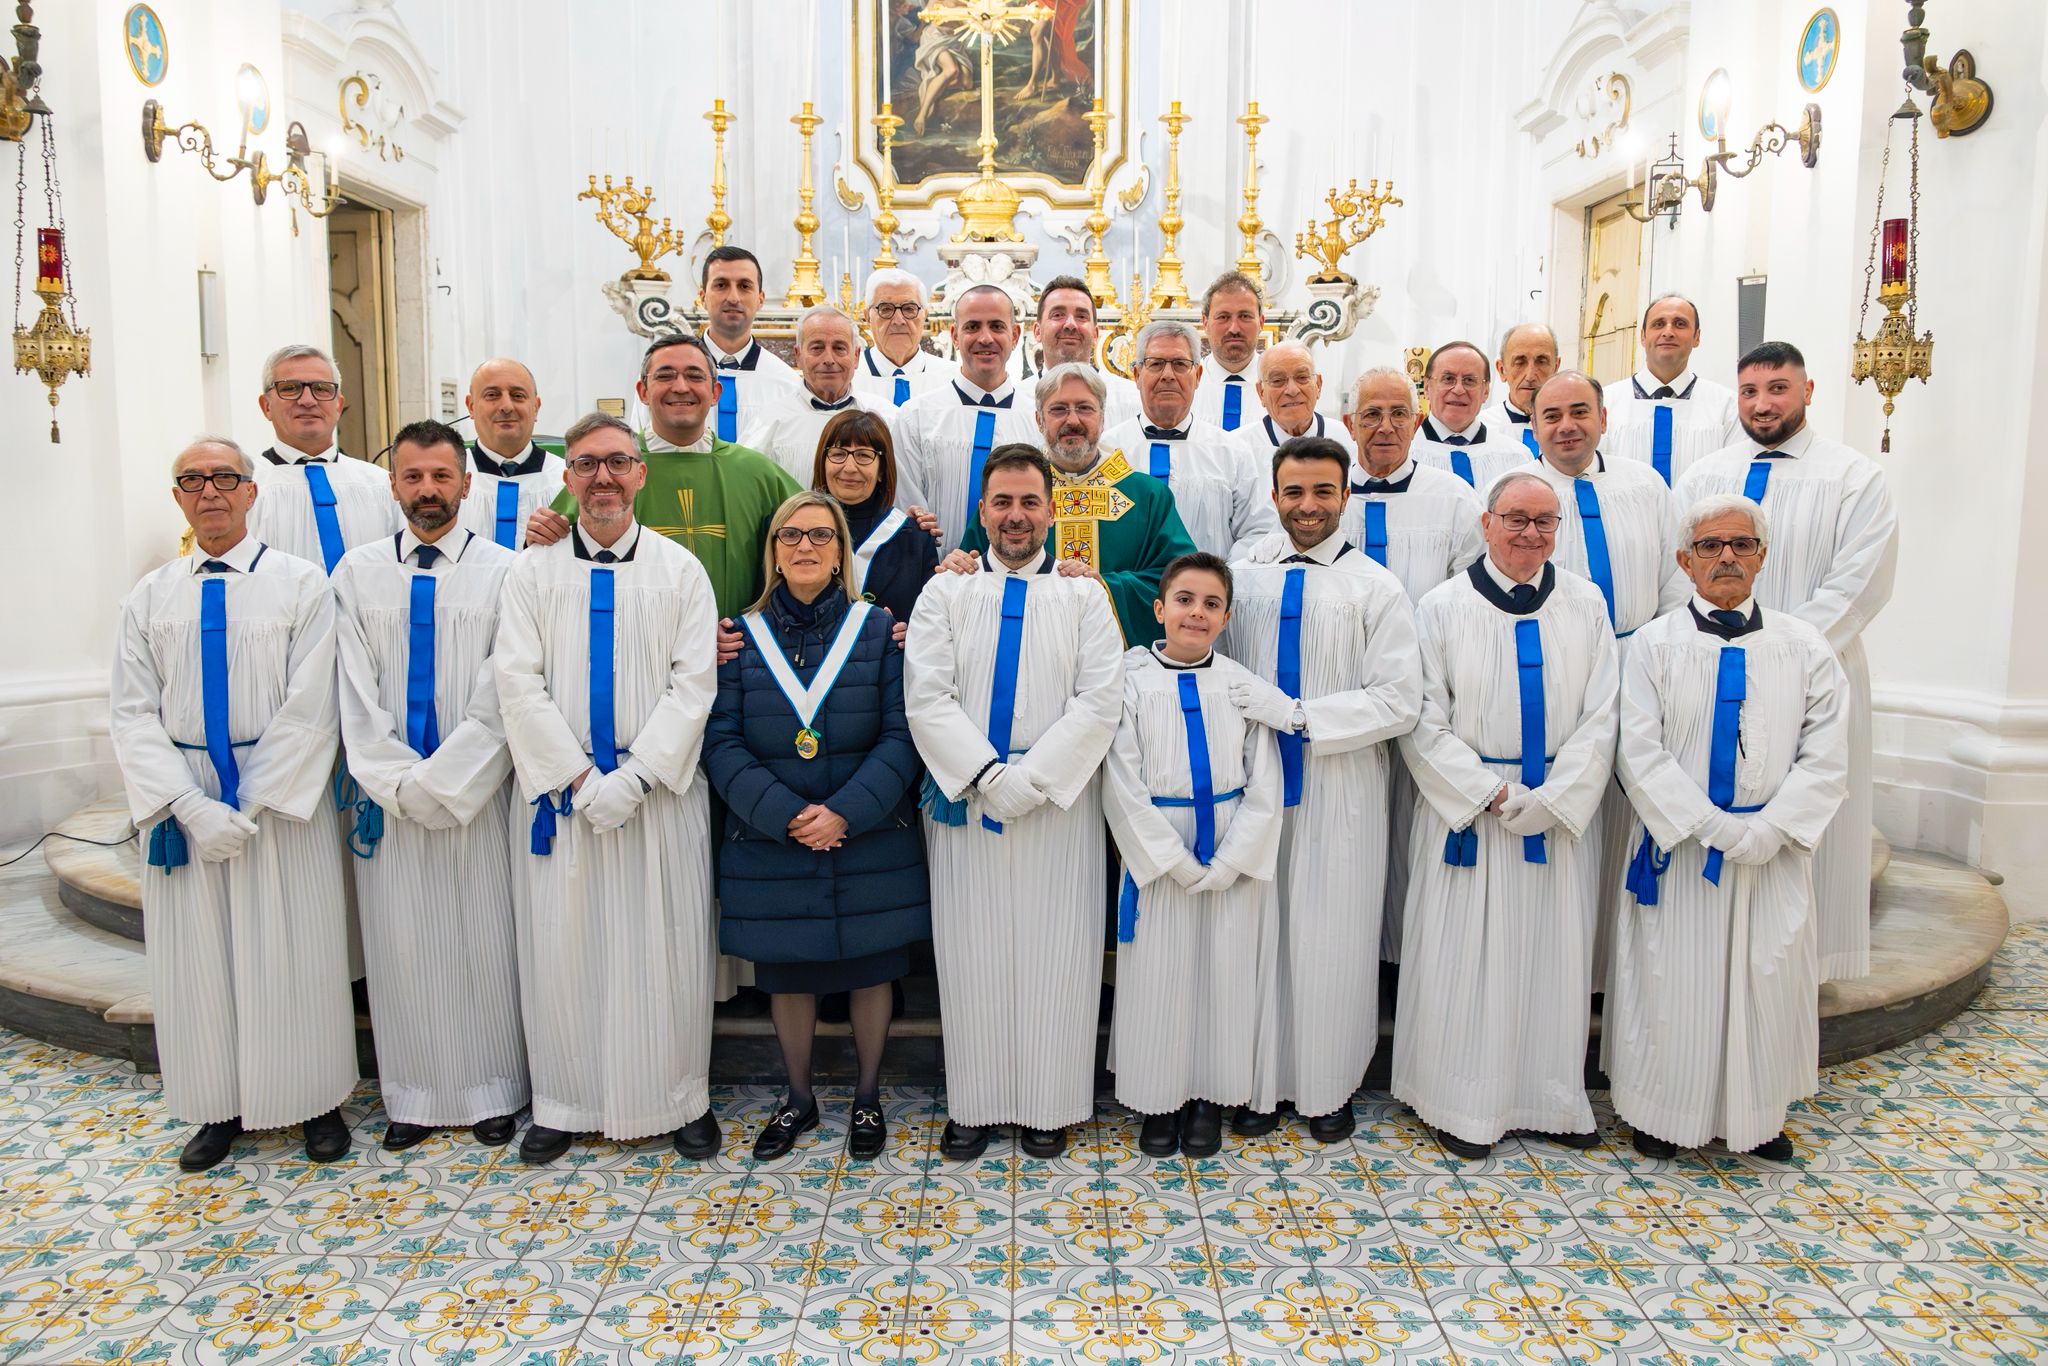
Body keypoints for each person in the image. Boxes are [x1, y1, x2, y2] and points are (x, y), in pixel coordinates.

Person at [110, 436, 356, 1172]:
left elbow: (313, 703)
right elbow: (132, 714)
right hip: (185, 803)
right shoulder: (149, 597)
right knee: (199, 961)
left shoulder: (300, 584)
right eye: (192, 481)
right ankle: (216, 1105)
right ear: (178, 498)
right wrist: (190, 806)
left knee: (293, 950)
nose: (209, 491)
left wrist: (248, 804)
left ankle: (315, 1099)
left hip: (277, 802)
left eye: (224, 477)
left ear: (252, 492)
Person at [495, 413, 722, 1164]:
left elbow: (694, 684)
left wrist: (636, 777)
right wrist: (579, 776)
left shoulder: (680, 570)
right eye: (588, 464)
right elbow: (517, 682)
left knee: (665, 948)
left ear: (640, 474)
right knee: (562, 949)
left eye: (618, 463)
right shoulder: (530, 573)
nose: (603, 477)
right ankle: (565, 1102)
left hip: (655, 794)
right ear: (566, 476)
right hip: (563, 797)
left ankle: (678, 1097)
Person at [1610, 493, 1848, 1163]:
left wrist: (1770, 830)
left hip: (1770, 853)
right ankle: (1663, 1113)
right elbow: (1639, 750)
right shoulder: (1653, 644)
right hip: (1682, 852)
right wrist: (1707, 825)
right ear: (1684, 561)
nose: (1726, 558)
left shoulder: (1803, 646)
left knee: (1765, 981)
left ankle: (1757, 1116)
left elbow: (1827, 753)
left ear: (1762, 557)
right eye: (1710, 546)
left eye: (1741, 544)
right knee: (1673, 982)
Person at [905, 445, 1124, 1161]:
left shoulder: (1082, 595)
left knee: (1057, 952)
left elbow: (1100, 699)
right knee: (970, 953)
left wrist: (1031, 780)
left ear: (1052, 511)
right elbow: (927, 696)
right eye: (1002, 501)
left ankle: (1049, 1102)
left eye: (1030, 501)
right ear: (982, 510)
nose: (1016, 515)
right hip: (967, 801)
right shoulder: (945, 593)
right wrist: (985, 775)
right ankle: (975, 1102)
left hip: (1058, 802)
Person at [1393, 472, 1619, 1159]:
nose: (1530, 533)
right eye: (1515, 519)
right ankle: (1459, 1104)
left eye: (1544, 521)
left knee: (1554, 958)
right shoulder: (1440, 606)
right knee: (1463, 961)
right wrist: (1488, 792)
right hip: (1471, 815)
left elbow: (1603, 714)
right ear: (1486, 524)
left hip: (1556, 814)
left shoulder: (1585, 603)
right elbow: (1421, 718)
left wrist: (1554, 798)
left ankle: (1552, 1099)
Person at [703, 492, 928, 1163]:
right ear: (773, 550)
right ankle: (797, 1097)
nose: (805, 547)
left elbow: (902, 733)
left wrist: (845, 812)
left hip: (867, 833)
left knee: (871, 969)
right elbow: (721, 741)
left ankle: (867, 1096)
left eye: (821, 536)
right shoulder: (739, 637)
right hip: (772, 837)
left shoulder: (877, 631)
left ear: (840, 554)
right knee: (787, 973)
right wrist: (786, 815)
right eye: (791, 535)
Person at [331, 420, 526, 1151]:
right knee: (401, 943)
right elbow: (352, 689)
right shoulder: (356, 574)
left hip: (477, 794)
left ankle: (494, 1089)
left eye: (442, 476)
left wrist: (446, 780)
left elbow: (505, 688)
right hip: (389, 800)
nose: (427, 490)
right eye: (413, 476)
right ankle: (412, 1094)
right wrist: (394, 780)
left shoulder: (505, 572)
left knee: (484, 937)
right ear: (393, 485)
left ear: (466, 483)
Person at [1675, 341, 1896, 983]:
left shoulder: (1854, 477)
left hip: (1817, 671)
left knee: (1809, 818)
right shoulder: (1704, 475)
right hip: (1708, 668)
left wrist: (1780, 653)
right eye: (1750, 391)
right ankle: (1712, 961)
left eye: (1778, 388)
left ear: (1808, 391)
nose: (1763, 403)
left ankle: (1800, 974)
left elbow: (1859, 582)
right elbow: (1675, 569)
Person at [1225, 437, 1422, 1141]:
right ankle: (1257, 1081)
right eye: (1294, 492)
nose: (1308, 506)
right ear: (1274, 496)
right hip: (1251, 783)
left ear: (1346, 496)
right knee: (1257, 932)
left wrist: (1302, 717)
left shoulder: (1376, 587)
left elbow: (1400, 699)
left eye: (1322, 492)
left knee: (1334, 934)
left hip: (1341, 787)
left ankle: (1327, 1084)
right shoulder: (1243, 576)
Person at [1105, 553, 1286, 1159]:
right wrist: (1172, 861)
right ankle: (1159, 1098)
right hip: (1159, 844)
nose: (1196, 613)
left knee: (1223, 974)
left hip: (1231, 844)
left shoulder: (1238, 683)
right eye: (1184, 600)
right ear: (1159, 608)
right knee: (1159, 975)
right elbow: (1121, 780)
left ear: (1226, 618)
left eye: (1212, 604)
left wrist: (1232, 860)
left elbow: (1265, 780)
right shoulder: (1130, 679)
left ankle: (1209, 1095)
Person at [1523, 370, 1687, 987]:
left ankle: (1621, 968)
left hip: (1644, 664)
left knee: (1630, 817)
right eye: (1551, 415)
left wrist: (1656, 655)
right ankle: (1572, 968)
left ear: (1603, 418)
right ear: (1533, 425)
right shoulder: (1517, 491)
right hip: (1561, 679)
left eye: (1579, 412)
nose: (1567, 426)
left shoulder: (1646, 485)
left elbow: (1675, 576)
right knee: (1576, 813)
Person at [1334, 369, 1485, 962]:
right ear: (1348, 423)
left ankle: (1404, 958)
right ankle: (1354, 956)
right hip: (1346, 692)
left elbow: (1470, 600)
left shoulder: (1453, 498)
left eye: (1399, 413)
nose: (1385, 426)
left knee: (1413, 826)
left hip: (1426, 692)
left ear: (1418, 422)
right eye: (1371, 414)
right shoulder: (1325, 493)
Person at [531, 334, 801, 618]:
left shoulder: (755, 471)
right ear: (643, 391)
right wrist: (541, 530)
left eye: (694, 376)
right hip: (633, 638)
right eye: (665, 376)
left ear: (715, 393)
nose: (681, 387)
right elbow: (554, 551)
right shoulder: (609, 470)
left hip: (735, 641)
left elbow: (817, 537)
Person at [953, 363, 1198, 646]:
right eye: (1058, 409)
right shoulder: (1011, 494)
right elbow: (975, 571)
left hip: (1120, 658)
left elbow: (1181, 582)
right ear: (1039, 420)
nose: (1073, 420)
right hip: (1027, 648)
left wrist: (1104, 587)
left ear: (1102, 418)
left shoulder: (1147, 496)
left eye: (1084, 408)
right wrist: (959, 565)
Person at [1101, 319, 1277, 558]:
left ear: (1198, 375)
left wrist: (1220, 575)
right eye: (1156, 364)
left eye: (1180, 364)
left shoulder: (1232, 452)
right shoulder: (1107, 450)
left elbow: (1257, 531)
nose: (1168, 375)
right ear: (1137, 374)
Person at [893, 284, 1041, 551]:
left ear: (1015, 335)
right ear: (955, 335)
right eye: (972, 327)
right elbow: (907, 511)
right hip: (936, 571)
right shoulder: (916, 417)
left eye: (996, 326)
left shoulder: (1038, 421)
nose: (985, 338)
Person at [246, 343, 400, 574]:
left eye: (322, 389)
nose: (307, 400)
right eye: (290, 388)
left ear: (338, 405)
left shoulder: (382, 485)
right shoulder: (243, 489)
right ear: (266, 406)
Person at [813, 409, 938, 624]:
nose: (849, 468)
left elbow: (929, 621)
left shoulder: (914, 539)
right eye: (838, 454)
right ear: (823, 461)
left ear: (881, 469)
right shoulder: (793, 533)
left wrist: (910, 633)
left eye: (863, 455)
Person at [1600, 294, 1739, 486]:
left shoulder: (1727, 407)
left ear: (1696, 337)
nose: (1668, 332)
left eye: (1680, 324)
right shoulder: (1605, 403)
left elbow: (1734, 479)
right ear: (1643, 336)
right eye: (1658, 324)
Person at [741, 306, 883, 483]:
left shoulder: (884, 417)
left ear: (856, 356)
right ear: (798, 355)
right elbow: (746, 487)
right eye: (817, 348)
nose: (829, 359)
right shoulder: (768, 422)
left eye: (839, 348)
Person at [459, 356, 565, 550]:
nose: (506, 407)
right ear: (471, 406)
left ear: (536, 407)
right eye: (492, 395)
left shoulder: (565, 482)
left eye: (518, 395)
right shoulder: (447, 479)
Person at [698, 245, 798, 440]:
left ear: (760, 299)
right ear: (702, 297)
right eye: (721, 285)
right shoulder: (668, 377)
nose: (733, 298)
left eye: (744, 286)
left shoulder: (786, 384)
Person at [1412, 340, 1533, 487]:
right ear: (1426, 387)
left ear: (1486, 391)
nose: (1458, 390)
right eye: (1448, 379)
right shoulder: (1405, 456)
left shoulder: (1516, 458)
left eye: (1469, 380)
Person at [1033, 274, 1140, 426]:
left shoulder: (1132, 400)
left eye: (1081, 316)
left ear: (1095, 334)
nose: (1070, 324)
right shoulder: (1016, 403)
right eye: (1058, 315)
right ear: (1037, 331)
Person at [852, 268, 952, 408]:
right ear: (867, 316)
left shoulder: (950, 378)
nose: (898, 321)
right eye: (886, 309)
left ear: (925, 315)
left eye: (909, 309)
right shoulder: (848, 378)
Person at [1189, 272, 1265, 433]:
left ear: (1261, 322)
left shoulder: (1280, 386)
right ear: (1205, 323)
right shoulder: (1185, 385)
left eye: (1245, 316)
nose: (1234, 329)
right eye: (1223, 317)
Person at [1477, 323, 1561, 453]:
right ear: (1501, 370)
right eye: (1520, 362)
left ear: (1556, 367)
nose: (1530, 376)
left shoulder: (1571, 431)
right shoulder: (1479, 429)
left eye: (1541, 362)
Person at [1250, 340, 1335, 446]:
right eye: (1277, 380)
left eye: (1302, 377)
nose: (1292, 390)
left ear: (1318, 385)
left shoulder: (1347, 439)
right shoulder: (1239, 448)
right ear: (1261, 392)